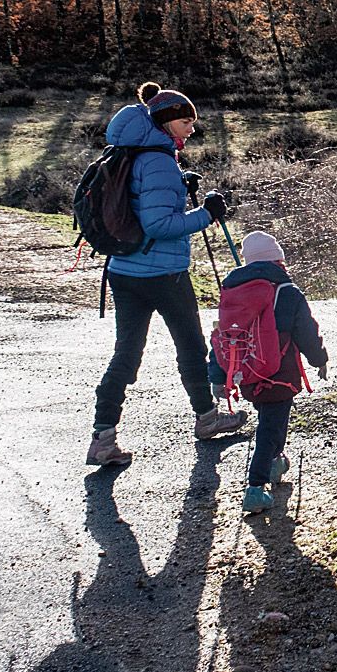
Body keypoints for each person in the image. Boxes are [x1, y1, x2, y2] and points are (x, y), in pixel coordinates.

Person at [89, 83, 246, 467]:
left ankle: (102, 437)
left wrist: (179, 183)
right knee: (190, 348)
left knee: (125, 355)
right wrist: (206, 213)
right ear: (164, 121)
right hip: (162, 272)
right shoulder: (157, 159)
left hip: (123, 269)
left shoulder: (134, 151)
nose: (191, 128)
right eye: (185, 120)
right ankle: (207, 419)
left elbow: (147, 199)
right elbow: (160, 224)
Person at [206, 231, 327, 514]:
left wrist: (217, 376)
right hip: (279, 371)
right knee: (270, 425)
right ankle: (255, 487)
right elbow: (306, 331)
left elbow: (223, 334)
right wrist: (319, 359)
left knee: (272, 418)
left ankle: (275, 462)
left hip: (246, 372)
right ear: (279, 261)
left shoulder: (235, 292)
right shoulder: (287, 292)